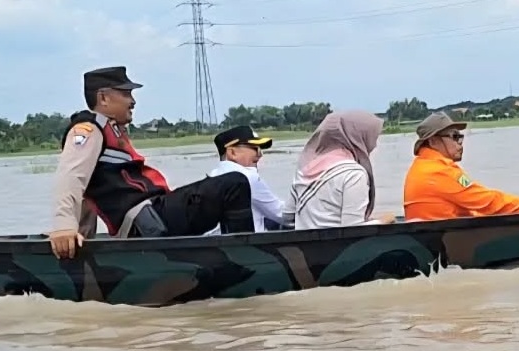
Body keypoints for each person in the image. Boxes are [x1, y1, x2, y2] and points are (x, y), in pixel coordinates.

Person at [47, 66, 254, 258]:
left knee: (229, 186)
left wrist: (84, 235)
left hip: (153, 217)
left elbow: (89, 194)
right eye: (126, 94)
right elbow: (71, 177)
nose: (133, 101)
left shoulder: (111, 131)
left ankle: (236, 253)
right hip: (147, 223)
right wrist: (64, 227)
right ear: (103, 98)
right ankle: (246, 257)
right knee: (234, 183)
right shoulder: (88, 130)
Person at [402, 111, 519, 222]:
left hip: (442, 233)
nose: (460, 143)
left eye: (460, 137)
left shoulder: (424, 165)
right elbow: (488, 202)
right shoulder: (438, 172)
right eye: (454, 137)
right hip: (447, 239)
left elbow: (478, 202)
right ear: (433, 142)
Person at [289, 109, 395, 229]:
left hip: (305, 246)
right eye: (372, 138)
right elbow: (353, 229)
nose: (374, 145)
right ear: (358, 137)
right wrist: (383, 221)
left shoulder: (305, 169)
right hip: (337, 246)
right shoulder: (353, 174)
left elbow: (287, 215)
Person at [204, 125, 286, 234]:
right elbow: (283, 215)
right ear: (232, 153)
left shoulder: (211, 177)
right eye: (254, 148)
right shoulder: (247, 178)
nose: (260, 154)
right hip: (255, 247)